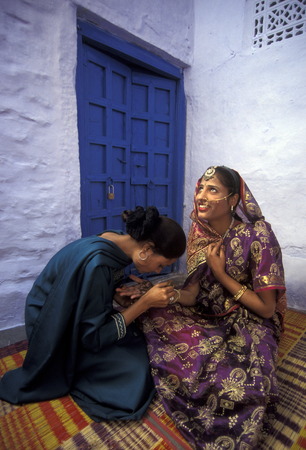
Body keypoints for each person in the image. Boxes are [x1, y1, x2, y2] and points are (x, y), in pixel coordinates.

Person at [117, 166, 286, 448]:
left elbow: (267, 309)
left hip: (251, 320)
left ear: (233, 200)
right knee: (154, 312)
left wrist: (222, 276)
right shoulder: (199, 231)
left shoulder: (259, 235)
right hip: (206, 312)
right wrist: (159, 294)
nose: (201, 197)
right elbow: (192, 295)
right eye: (200, 189)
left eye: (213, 190)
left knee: (244, 384)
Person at [0, 206, 186, 422]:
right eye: (161, 264)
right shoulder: (97, 263)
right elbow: (92, 338)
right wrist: (143, 304)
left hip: (63, 312)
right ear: (147, 249)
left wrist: (117, 296)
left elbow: (95, 287)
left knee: (138, 338)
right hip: (53, 327)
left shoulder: (115, 238)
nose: (158, 271)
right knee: (138, 372)